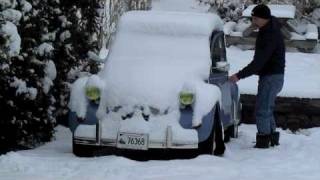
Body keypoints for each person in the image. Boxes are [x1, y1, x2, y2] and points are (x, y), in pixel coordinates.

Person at [229, 4, 285, 148]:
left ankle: (263, 140)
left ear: (264, 18)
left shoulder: (269, 35)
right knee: (267, 108)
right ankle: (272, 137)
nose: (253, 21)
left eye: (255, 18)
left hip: (271, 76)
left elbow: (259, 62)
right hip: (274, 75)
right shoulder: (268, 28)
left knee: (262, 110)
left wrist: (238, 76)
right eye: (252, 17)